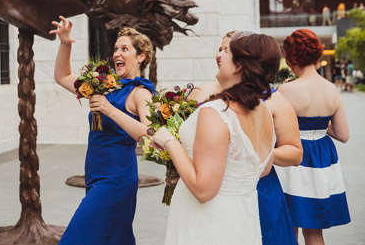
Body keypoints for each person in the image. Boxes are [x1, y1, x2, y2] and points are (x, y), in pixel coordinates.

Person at [150, 32, 279, 245]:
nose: (219, 56)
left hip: (208, 224)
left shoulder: (216, 112)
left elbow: (203, 190)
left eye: (226, 51)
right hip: (242, 221)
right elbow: (261, 169)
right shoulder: (263, 111)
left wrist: (169, 142)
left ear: (239, 65)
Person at [188, 32, 303, 245]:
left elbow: (295, 152)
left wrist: (244, 154)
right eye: (219, 49)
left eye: (227, 50)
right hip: (203, 192)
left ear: (244, 61)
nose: (219, 55)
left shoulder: (273, 99)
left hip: (256, 190)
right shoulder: (201, 91)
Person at [51, 17, 155, 245]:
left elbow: (152, 137)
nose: (117, 53)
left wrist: (109, 110)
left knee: (75, 239)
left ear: (141, 56)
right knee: (113, 239)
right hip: (95, 174)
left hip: (116, 178)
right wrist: (66, 43)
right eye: (116, 48)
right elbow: (62, 77)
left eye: (125, 49)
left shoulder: (140, 93)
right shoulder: (104, 85)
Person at [276, 29, 351, 245]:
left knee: (290, 227)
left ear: (291, 58)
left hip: (293, 157)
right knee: (315, 231)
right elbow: (343, 135)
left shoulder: (286, 91)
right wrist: (320, 126)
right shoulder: (332, 90)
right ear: (316, 55)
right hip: (322, 159)